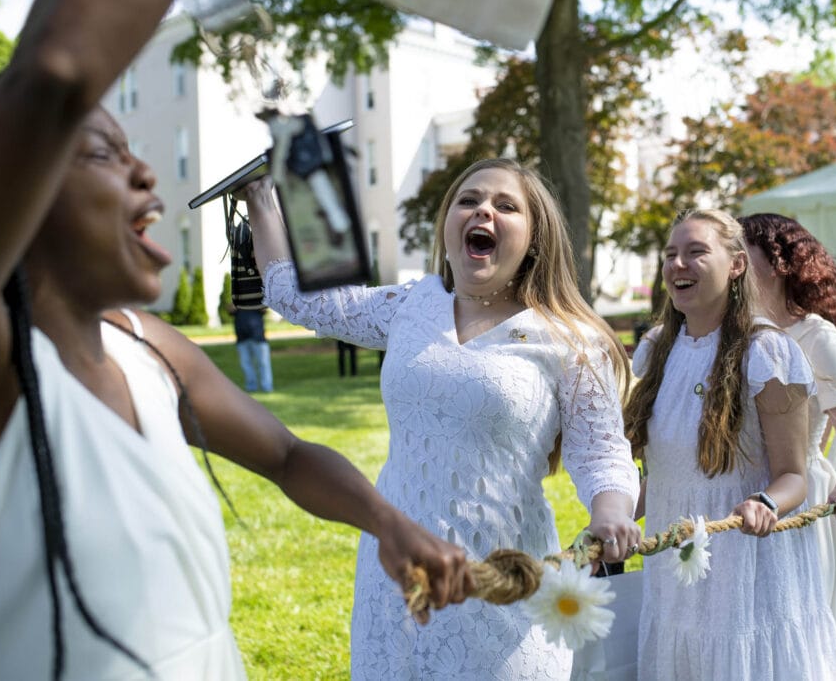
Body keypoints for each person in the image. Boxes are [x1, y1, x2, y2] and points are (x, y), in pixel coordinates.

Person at [0, 2, 470, 678]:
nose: (145, 174)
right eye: (100, 152)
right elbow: (53, 74)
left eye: (133, 152)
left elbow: (287, 455)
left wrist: (386, 522)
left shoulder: (146, 346)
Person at [244, 159, 641, 679]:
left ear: (534, 238)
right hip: (397, 573)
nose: (484, 211)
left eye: (506, 205)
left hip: (503, 581)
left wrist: (610, 512)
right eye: (469, 200)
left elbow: (603, 454)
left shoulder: (570, 339)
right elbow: (296, 296)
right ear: (449, 226)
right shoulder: (412, 305)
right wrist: (259, 195)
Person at [624, 208, 836, 679]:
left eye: (696, 252)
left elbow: (794, 476)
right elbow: (663, 475)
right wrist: (617, 518)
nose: (677, 265)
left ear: (737, 265)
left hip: (747, 566)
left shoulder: (767, 351)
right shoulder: (655, 348)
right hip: (677, 569)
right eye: (670, 255)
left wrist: (765, 502)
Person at [740, 213, 836, 681]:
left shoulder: (817, 336)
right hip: (739, 498)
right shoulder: (732, 334)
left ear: (780, 263)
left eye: (743, 252)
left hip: (800, 502)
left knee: (801, 631)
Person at [233, 306, 274, 391]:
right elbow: (230, 309)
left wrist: (254, 302)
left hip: (258, 336)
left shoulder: (256, 298)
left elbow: (265, 309)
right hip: (242, 338)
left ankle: (267, 387)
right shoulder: (237, 298)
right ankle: (251, 387)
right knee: (246, 364)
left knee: (263, 363)